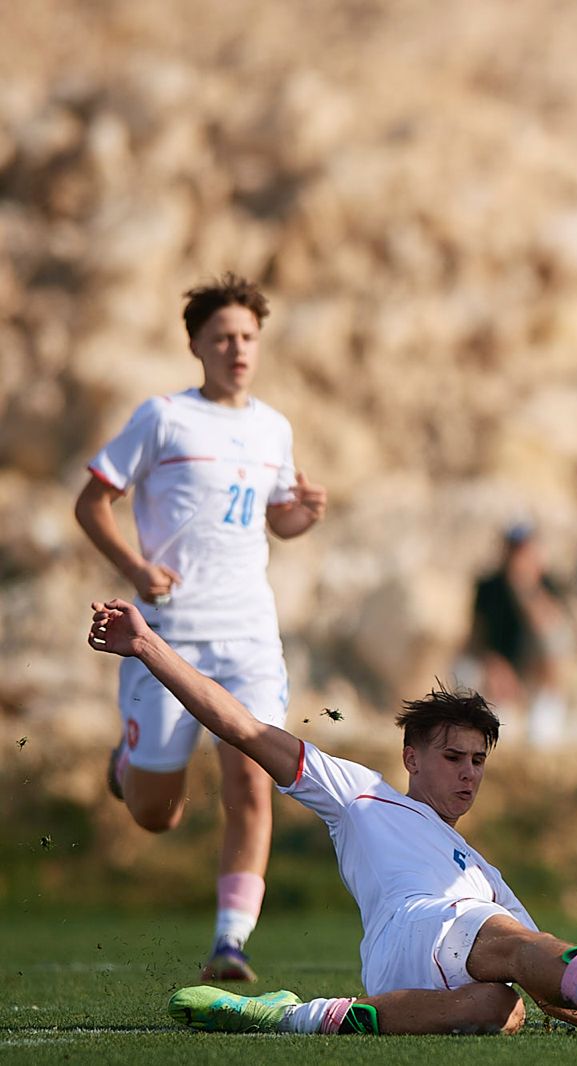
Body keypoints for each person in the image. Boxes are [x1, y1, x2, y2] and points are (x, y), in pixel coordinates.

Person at [87, 598, 577, 1037]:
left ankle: (295, 1017)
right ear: (412, 755)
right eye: (453, 756)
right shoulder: (360, 795)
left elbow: (550, 985)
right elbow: (240, 726)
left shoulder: (484, 873)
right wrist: (148, 646)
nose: (468, 772)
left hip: (404, 974)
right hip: (418, 930)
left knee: (506, 1009)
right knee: (510, 946)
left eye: (477, 761)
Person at [73, 274, 327, 982]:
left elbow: (274, 516)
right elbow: (91, 501)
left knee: (253, 782)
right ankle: (130, 769)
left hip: (248, 635)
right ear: (195, 345)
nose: (237, 349)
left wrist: (300, 516)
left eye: (247, 337)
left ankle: (230, 942)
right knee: (159, 815)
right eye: (222, 337)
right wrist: (136, 566)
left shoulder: (273, 427)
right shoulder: (162, 418)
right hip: (168, 635)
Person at [465, 520, 574, 746]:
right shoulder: (488, 587)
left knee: (555, 639)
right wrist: (493, 664)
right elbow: (475, 637)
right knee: (464, 670)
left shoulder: (548, 586)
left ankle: (545, 709)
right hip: (498, 676)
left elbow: (552, 635)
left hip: (534, 674)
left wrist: (524, 588)